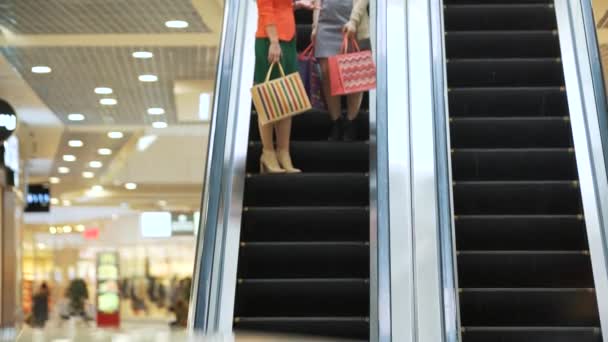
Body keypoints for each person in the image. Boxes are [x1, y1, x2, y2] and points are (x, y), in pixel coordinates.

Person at [254, 0, 315, 174]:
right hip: (269, 39)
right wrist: (273, 41)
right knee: (268, 98)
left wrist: (296, 4)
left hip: (287, 39)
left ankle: (283, 152)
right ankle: (268, 153)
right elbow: (265, 9)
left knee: (286, 99)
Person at [312, 0, 370, 141]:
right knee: (327, 73)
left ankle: (351, 121)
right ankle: (336, 121)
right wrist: (315, 25)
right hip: (325, 23)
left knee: (355, 73)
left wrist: (354, 21)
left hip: (352, 22)